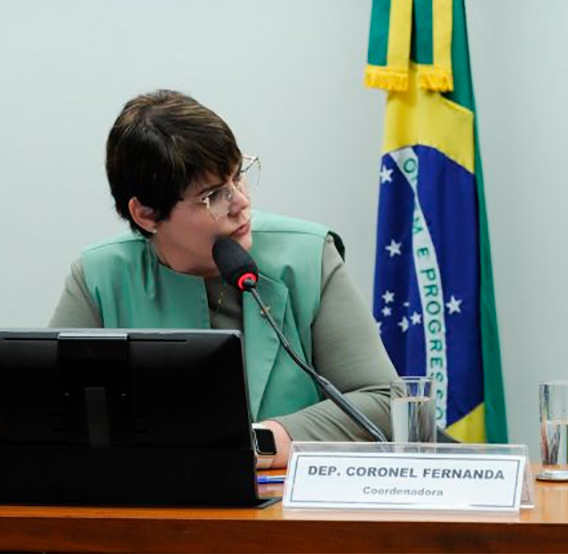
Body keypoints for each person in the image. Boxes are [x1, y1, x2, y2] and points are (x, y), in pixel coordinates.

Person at [49, 89, 399, 467]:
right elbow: (44, 417)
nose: (241, 202)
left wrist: (261, 442)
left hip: (283, 501)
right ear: (146, 214)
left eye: (238, 176)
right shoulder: (100, 278)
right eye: (214, 195)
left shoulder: (307, 257)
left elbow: (384, 402)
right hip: (150, 499)